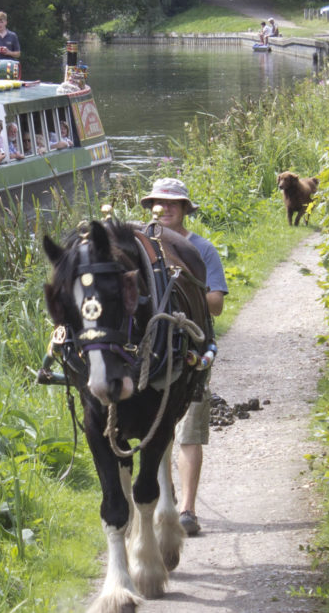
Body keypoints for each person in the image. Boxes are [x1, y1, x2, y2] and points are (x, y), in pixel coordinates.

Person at [140, 177, 228, 537]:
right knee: (154, 432)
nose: (165, 208)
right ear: (151, 208)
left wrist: (179, 292)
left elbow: (217, 304)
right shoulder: (140, 248)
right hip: (151, 356)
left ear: (185, 209)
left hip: (189, 353)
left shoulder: (201, 250)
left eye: (173, 202)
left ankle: (188, 509)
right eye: (159, 202)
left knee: (189, 430)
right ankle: (164, 497)